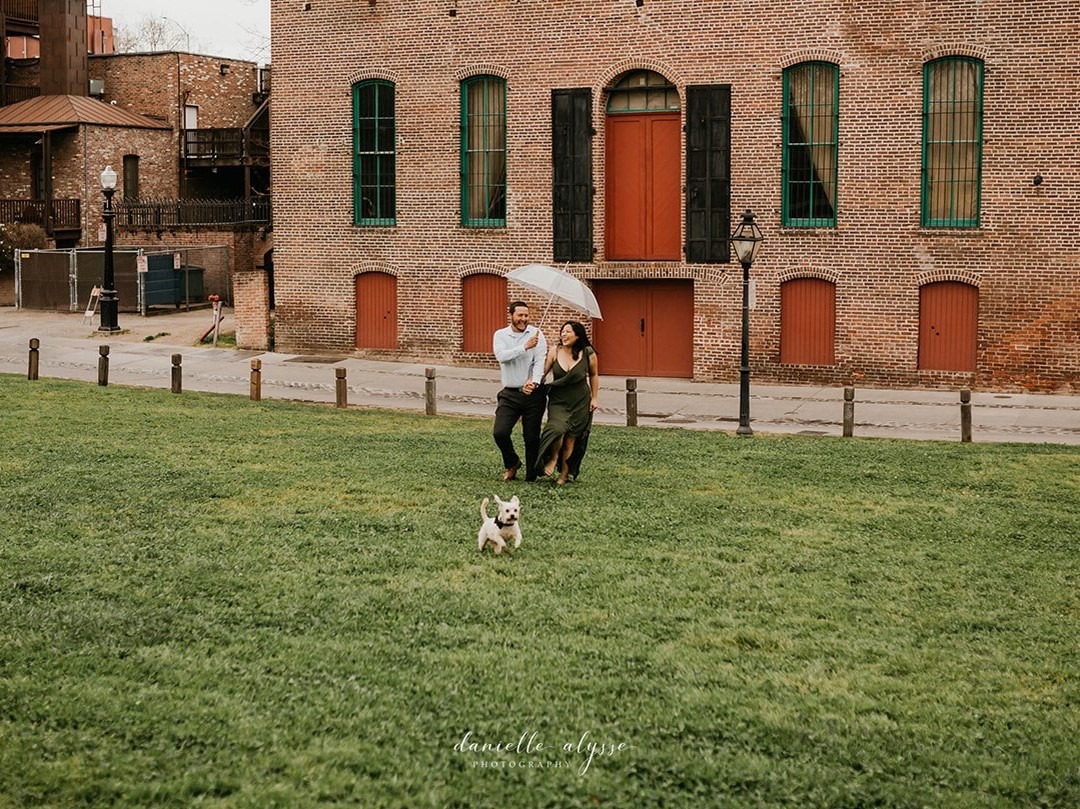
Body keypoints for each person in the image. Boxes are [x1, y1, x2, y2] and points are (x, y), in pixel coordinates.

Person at [534, 320, 599, 485]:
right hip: (558, 401)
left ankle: (563, 475)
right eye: (562, 331)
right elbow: (543, 373)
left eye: (568, 331)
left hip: (580, 401)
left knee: (571, 439)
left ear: (578, 335)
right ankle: (553, 457)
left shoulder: (588, 353)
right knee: (557, 429)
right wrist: (533, 383)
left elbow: (593, 375)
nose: (564, 334)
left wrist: (594, 397)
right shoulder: (555, 351)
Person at [492, 301, 548, 481]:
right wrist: (524, 347)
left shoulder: (537, 335)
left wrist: (534, 382)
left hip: (533, 394)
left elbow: (540, 362)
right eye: (520, 315)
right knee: (500, 432)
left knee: (531, 437)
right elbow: (502, 357)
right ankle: (512, 462)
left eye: (526, 315)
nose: (524, 319)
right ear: (511, 315)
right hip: (510, 393)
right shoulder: (501, 335)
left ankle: (531, 474)